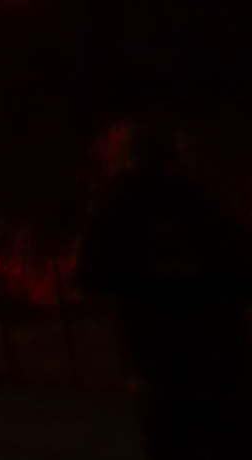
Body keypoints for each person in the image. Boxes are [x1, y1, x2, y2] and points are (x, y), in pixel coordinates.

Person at [78, 121, 251, 458]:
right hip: (216, 356)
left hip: (163, 357)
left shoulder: (121, 208)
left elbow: (93, 275)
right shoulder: (198, 204)